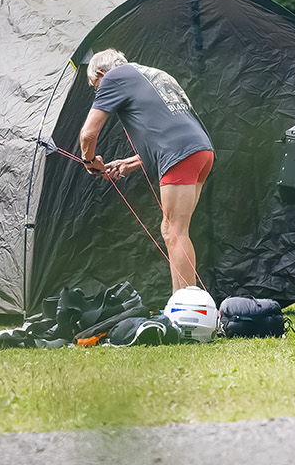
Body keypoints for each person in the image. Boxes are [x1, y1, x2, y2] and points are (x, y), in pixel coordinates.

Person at [79, 49, 215, 292]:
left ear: (100, 73)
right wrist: (128, 164)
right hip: (201, 151)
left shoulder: (113, 77)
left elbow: (88, 134)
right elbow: (167, 129)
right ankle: (179, 302)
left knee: (174, 231)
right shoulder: (154, 74)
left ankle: (191, 307)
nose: (99, 91)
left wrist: (89, 161)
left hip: (179, 154)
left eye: (95, 86)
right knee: (174, 230)